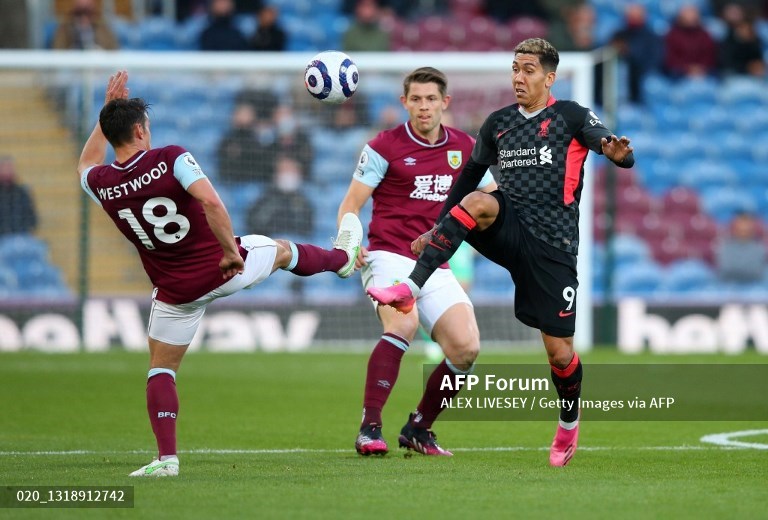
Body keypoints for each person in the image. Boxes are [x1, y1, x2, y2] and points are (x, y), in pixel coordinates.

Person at [78, 71, 363, 477]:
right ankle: (342, 260)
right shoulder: (170, 157)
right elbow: (211, 203)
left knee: (161, 369)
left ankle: (167, 459)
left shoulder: (102, 183)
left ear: (112, 136)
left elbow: (86, 162)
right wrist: (231, 251)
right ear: (140, 130)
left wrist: (105, 114)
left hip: (175, 291)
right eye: (147, 127)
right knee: (282, 250)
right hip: (224, 268)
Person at [367, 39, 635, 466]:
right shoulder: (498, 123)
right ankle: (410, 287)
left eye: (528, 70)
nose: (518, 77)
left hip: (553, 246)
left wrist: (614, 153)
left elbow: (602, 139)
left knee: (559, 353)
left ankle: (568, 422)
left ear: (549, 78)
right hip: (509, 227)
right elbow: (468, 177)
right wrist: (437, 226)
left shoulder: (570, 115)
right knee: (476, 200)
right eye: (515, 68)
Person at [338, 67, 497, 456]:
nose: (424, 106)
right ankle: (369, 428)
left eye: (431, 99)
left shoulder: (466, 147)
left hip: (434, 263)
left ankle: (419, 428)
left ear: (445, 103)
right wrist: (349, 243)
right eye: (416, 99)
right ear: (404, 103)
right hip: (388, 255)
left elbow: (493, 200)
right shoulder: (383, 147)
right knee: (404, 323)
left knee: (466, 348)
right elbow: (351, 204)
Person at [245, 156, 314, 238]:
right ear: (276, 174)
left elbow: (308, 228)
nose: (288, 175)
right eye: (285, 171)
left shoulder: (305, 202)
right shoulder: (263, 198)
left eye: (292, 171)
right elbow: (255, 224)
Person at [609, 3, 664, 104]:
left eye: (637, 16)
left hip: (642, 75)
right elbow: (607, 55)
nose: (633, 19)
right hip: (622, 75)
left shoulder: (651, 37)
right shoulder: (619, 35)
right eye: (631, 16)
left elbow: (655, 60)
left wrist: (630, 53)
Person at [663, 4, 717, 78]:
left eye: (693, 16)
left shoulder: (705, 35)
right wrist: (687, 69)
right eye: (687, 17)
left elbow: (709, 55)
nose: (690, 19)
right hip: (679, 75)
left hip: (703, 73)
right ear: (680, 18)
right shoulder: (672, 35)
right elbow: (670, 58)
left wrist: (700, 68)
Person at [716, 212, 766, 283]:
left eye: (746, 230)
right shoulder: (725, 247)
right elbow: (726, 270)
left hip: (754, 285)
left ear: (752, 230)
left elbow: (757, 272)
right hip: (729, 285)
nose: (743, 233)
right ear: (735, 229)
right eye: (741, 230)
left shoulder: (759, 248)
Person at [51, 0, 119, 50]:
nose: (84, 18)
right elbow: (57, 50)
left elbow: (113, 49)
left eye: (87, 13)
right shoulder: (64, 28)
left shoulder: (102, 27)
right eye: (79, 13)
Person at [0, 156, 38, 236]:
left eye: (9, 168)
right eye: (5, 168)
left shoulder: (22, 192)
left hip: (21, 235)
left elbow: (32, 218)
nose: (7, 171)